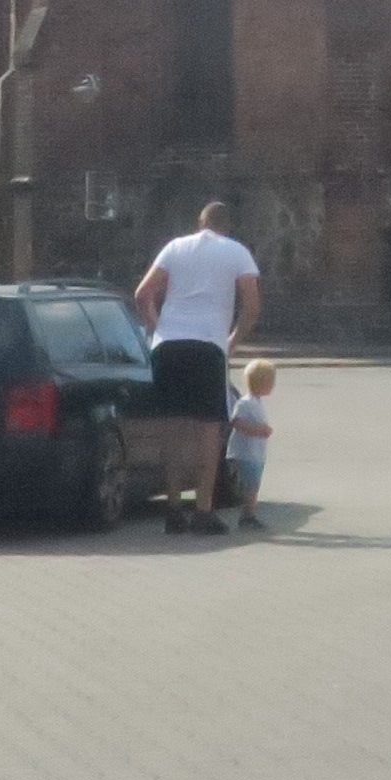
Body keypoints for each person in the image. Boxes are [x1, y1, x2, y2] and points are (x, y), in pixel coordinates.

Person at [133, 200, 260, 536]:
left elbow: (143, 294)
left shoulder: (175, 247)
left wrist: (157, 327)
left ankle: (173, 510)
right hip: (207, 345)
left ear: (200, 222)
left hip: (168, 346)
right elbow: (252, 306)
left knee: (173, 427)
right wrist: (232, 341)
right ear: (227, 226)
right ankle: (203, 511)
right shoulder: (236, 252)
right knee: (209, 429)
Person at [222, 359, 277, 530]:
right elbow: (237, 422)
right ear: (261, 382)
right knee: (250, 486)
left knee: (254, 485)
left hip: (256, 453)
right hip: (246, 454)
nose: (272, 385)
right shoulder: (245, 403)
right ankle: (247, 516)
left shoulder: (257, 402)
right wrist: (258, 430)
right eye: (270, 382)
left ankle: (249, 514)